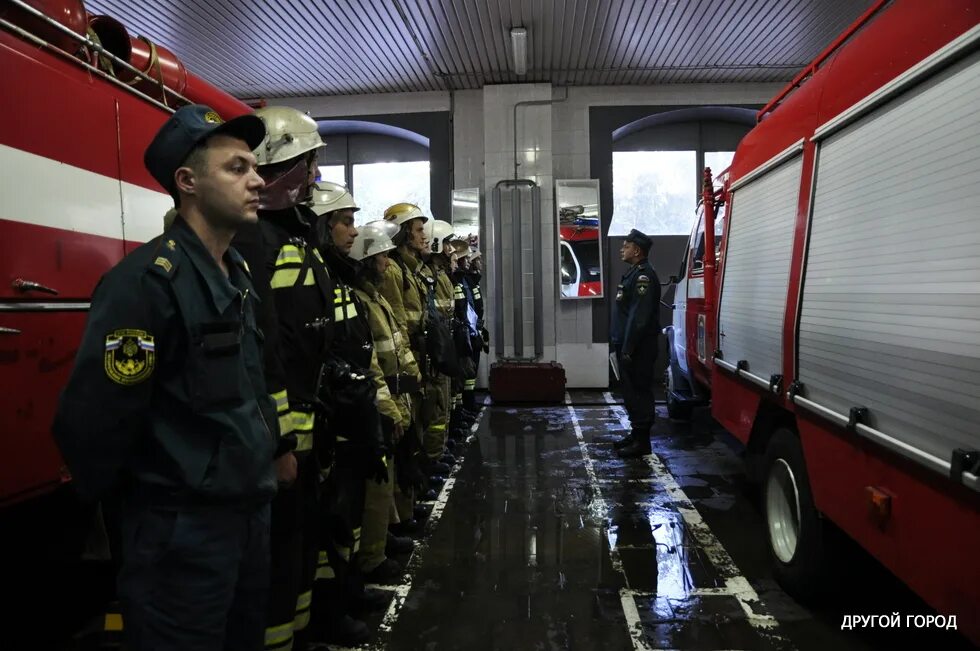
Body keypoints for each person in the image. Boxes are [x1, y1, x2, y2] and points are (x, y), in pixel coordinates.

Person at [53, 104, 275, 651]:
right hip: (181, 536)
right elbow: (92, 421)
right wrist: (147, 511)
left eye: (255, 167)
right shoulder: (146, 284)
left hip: (245, 520)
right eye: (237, 168)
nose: (257, 180)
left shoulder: (235, 273)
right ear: (188, 182)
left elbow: (249, 384)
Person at [230, 105, 365, 649]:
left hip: (309, 433)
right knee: (281, 556)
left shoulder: (291, 238)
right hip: (282, 444)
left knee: (303, 546)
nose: (313, 175)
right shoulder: (255, 245)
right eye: (306, 164)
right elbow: (269, 356)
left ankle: (306, 632)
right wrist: (284, 439)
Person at [312, 183, 402, 592]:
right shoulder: (325, 282)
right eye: (345, 222)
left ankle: (351, 582)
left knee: (355, 504)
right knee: (341, 510)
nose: (352, 231)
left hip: (357, 407)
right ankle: (342, 591)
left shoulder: (341, 284)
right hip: (335, 418)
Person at [348, 219, 423, 579]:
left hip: (396, 392)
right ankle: (372, 559)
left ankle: (386, 536)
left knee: (394, 472)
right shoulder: (361, 301)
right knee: (378, 486)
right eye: (380, 258)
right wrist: (390, 409)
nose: (387, 263)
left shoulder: (376, 298)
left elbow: (398, 341)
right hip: (383, 398)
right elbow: (372, 363)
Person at [381, 203, 437, 514]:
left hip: (417, 354)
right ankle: (402, 511)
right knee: (406, 438)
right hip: (405, 362)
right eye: (417, 230)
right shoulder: (392, 271)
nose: (424, 236)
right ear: (402, 233)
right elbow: (398, 325)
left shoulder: (410, 268)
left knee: (418, 427)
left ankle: (410, 500)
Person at [611, 229, 662, 459]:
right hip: (629, 346)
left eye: (626, 245)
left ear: (637, 250)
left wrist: (628, 348)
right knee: (631, 392)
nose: (622, 249)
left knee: (639, 392)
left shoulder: (644, 276)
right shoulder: (633, 274)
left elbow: (638, 317)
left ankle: (643, 442)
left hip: (638, 349)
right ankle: (636, 434)